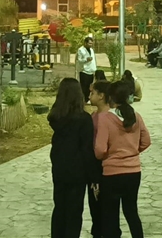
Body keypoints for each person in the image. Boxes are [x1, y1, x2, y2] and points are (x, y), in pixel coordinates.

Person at [95, 82, 151, 238]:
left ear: (110, 97)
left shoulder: (105, 118)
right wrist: (132, 152)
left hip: (112, 173)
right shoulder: (136, 116)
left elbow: (100, 149)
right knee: (131, 211)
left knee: (110, 215)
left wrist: (109, 156)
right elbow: (146, 141)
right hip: (133, 171)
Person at [48, 78, 97, 237]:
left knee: (59, 208)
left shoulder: (56, 118)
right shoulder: (84, 119)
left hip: (59, 169)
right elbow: (87, 149)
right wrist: (93, 176)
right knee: (74, 212)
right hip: (78, 171)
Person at [88, 80, 112, 238]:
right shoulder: (93, 116)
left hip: (105, 164)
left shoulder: (109, 117)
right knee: (94, 205)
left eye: (92, 93)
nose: (89, 96)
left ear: (101, 96)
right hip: (94, 165)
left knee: (105, 205)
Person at [77, 37, 97, 104]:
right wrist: (86, 59)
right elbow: (79, 60)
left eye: (91, 43)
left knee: (89, 86)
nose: (91, 45)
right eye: (89, 43)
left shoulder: (91, 50)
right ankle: (84, 99)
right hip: (84, 70)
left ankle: (87, 99)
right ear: (85, 43)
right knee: (84, 86)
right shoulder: (81, 50)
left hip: (91, 70)